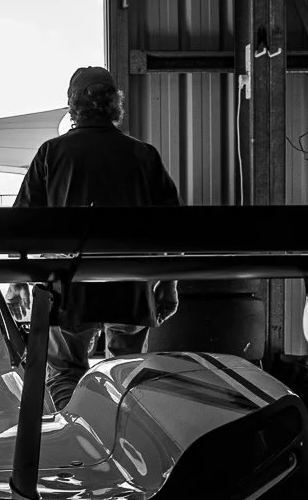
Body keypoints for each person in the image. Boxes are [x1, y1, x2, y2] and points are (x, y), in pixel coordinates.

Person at [13, 66, 182, 410]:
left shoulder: (51, 153)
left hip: (70, 289)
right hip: (130, 290)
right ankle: (117, 439)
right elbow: (174, 225)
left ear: (73, 107)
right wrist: (168, 284)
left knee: (64, 370)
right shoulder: (143, 155)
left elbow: (22, 223)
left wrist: (17, 282)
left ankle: (71, 435)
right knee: (125, 371)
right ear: (114, 105)